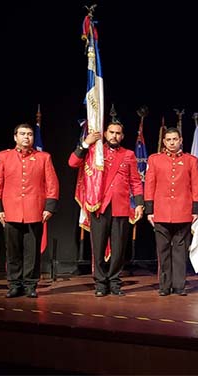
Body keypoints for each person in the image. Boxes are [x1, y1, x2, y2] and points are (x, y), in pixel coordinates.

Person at [69, 121, 144, 297]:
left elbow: (135, 181)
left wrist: (139, 203)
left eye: (118, 133)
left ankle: (115, 282)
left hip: (121, 207)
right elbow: (72, 162)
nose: (114, 136)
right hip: (99, 206)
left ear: (122, 136)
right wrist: (86, 142)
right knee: (99, 248)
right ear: (105, 133)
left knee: (118, 249)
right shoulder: (94, 151)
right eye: (111, 132)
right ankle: (101, 283)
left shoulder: (129, 154)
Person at [0, 123, 59, 298]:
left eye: (29, 134)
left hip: (35, 211)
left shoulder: (44, 157)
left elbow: (52, 184)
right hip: (10, 211)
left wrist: (49, 207)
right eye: (22, 134)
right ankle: (14, 284)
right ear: (15, 137)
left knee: (32, 252)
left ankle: (30, 284)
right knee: (12, 251)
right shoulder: (3, 157)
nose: (26, 137)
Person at [144, 127, 198, 296]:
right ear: (164, 142)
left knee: (180, 251)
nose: (172, 143)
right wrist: (149, 210)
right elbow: (149, 184)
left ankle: (179, 285)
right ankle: (164, 286)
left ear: (181, 140)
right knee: (163, 251)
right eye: (168, 140)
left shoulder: (191, 160)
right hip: (160, 211)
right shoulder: (155, 160)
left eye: (175, 139)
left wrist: (196, 209)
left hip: (183, 211)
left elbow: (196, 185)